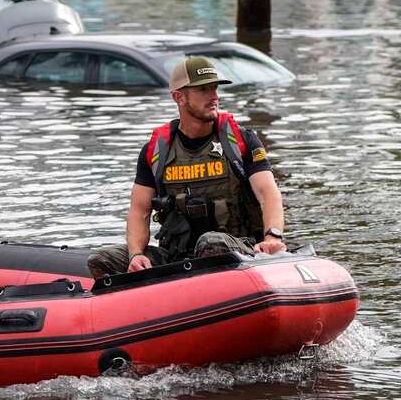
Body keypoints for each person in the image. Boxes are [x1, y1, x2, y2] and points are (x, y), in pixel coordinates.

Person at [87, 57, 287, 279]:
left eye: (215, 88)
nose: (214, 96)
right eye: (203, 89)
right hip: (177, 256)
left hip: (237, 250)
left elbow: (268, 194)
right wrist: (135, 255)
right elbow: (139, 211)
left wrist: (273, 237)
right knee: (102, 260)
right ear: (179, 97)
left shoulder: (241, 140)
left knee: (211, 243)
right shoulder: (155, 150)